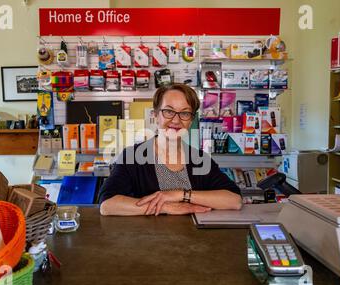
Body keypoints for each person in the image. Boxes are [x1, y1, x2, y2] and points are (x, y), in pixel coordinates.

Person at [99, 83, 242, 216]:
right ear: (155, 115)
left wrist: (180, 194)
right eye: (168, 111)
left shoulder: (200, 159)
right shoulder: (133, 156)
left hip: (194, 241)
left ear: (190, 120)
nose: (176, 120)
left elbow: (234, 200)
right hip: (146, 240)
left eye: (185, 113)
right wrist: (165, 207)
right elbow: (107, 204)